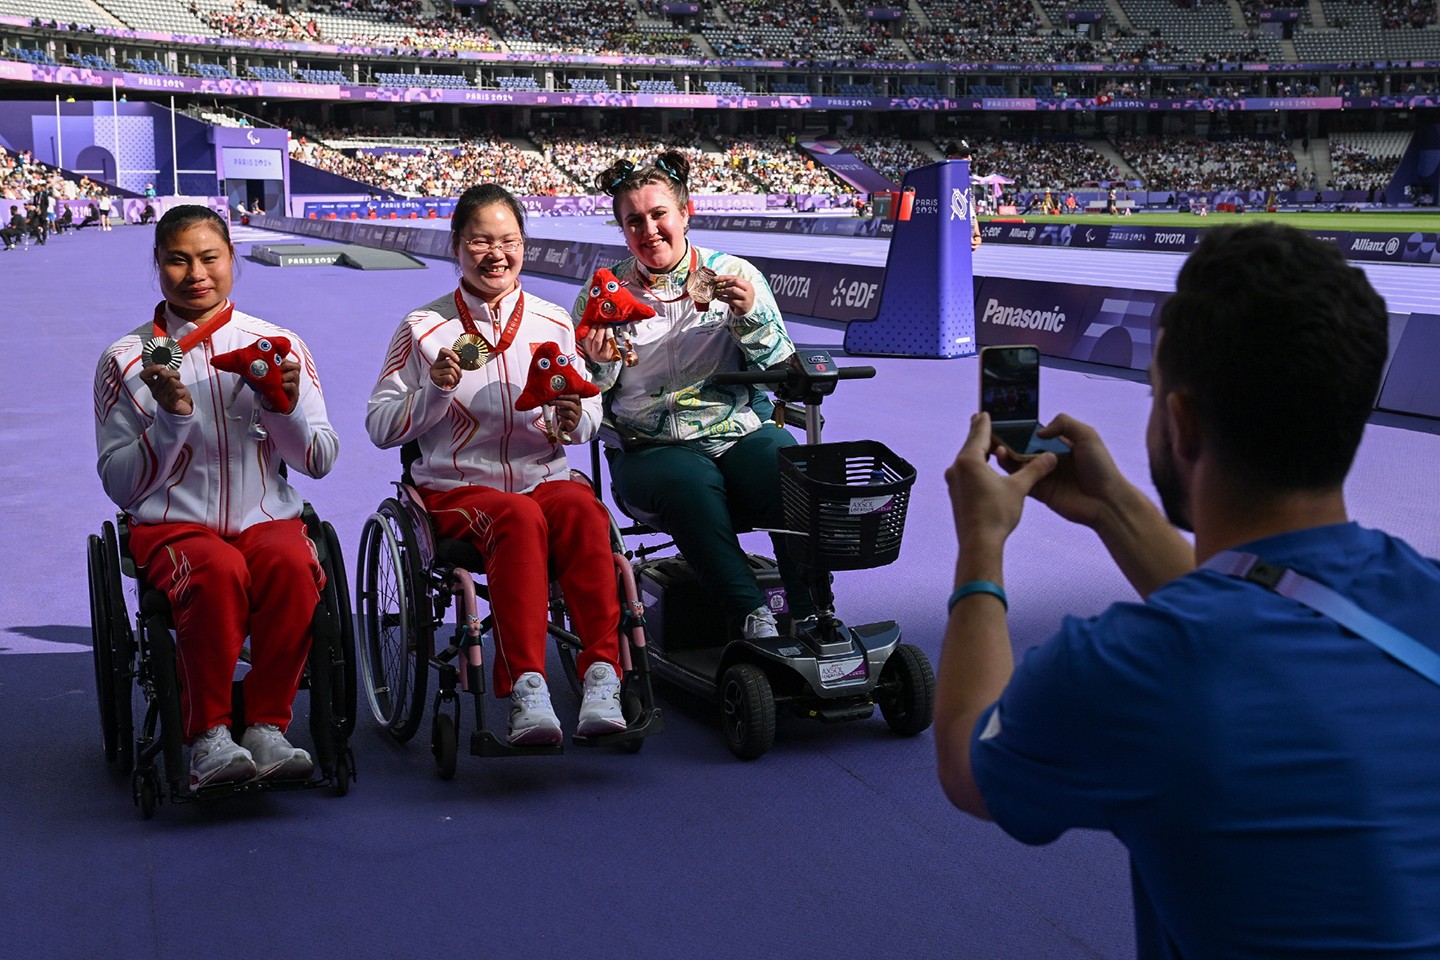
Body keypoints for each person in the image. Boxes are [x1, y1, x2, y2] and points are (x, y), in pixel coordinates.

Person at [935, 223, 1440, 959]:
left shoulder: (1127, 669)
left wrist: (981, 543)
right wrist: (1111, 507)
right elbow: (1269, 605)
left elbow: (963, 758)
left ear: (1182, 421)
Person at [366, 183, 626, 745]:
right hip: (458, 489)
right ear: (457, 246)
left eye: (508, 240)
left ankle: (602, 675)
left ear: (525, 247)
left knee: (584, 511)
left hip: (543, 478)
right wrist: (433, 393)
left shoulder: (555, 321)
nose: (495, 254)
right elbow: (379, 426)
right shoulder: (422, 328)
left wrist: (570, 416)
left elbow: (584, 424)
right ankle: (528, 687)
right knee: (517, 518)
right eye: (480, 241)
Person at [93, 205, 339, 789]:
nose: (196, 273)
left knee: (288, 566)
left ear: (233, 260)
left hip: (264, 517)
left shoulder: (278, 345)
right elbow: (120, 484)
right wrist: (171, 420)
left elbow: (320, 460)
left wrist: (282, 409)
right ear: (157, 264)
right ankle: (207, 735)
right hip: (174, 526)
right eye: (178, 259)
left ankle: (266, 728)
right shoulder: (124, 360)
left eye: (210, 258)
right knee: (216, 568)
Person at [574, 151, 813, 641]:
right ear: (622, 229)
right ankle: (751, 616)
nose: (649, 230)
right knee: (690, 479)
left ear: (686, 212)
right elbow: (587, 397)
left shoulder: (735, 275)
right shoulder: (603, 291)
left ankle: (813, 612)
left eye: (659, 214)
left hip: (735, 433)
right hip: (648, 448)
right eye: (633, 221)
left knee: (792, 468)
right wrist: (599, 361)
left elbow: (779, 375)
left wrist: (749, 318)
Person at [944, 140, 983, 251]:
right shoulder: (940, 182)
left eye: (970, 155)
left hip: (965, 245)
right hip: (949, 246)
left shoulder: (965, 183)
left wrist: (977, 236)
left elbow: (972, 214)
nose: (970, 159)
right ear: (951, 158)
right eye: (965, 155)